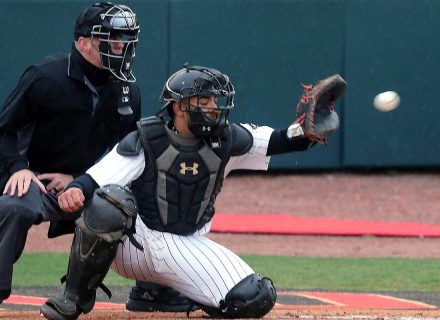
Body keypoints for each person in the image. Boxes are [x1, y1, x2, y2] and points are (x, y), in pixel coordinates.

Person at [39, 65, 343, 319]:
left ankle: (159, 292)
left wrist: (306, 131)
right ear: (179, 106)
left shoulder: (227, 139)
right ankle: (74, 297)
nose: (213, 106)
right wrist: (76, 189)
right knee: (108, 202)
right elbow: (96, 178)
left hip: (186, 245)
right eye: (205, 100)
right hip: (138, 244)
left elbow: (279, 140)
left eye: (215, 100)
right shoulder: (148, 138)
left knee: (254, 297)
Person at [0, 2, 143, 318]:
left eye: (125, 39)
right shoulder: (44, 76)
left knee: (121, 206)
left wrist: (79, 178)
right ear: (83, 42)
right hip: (36, 178)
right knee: (15, 204)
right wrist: (20, 168)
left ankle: (120, 291)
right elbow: (0, 131)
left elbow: (127, 155)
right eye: (112, 39)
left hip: (87, 182)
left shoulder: (127, 89)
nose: (121, 47)